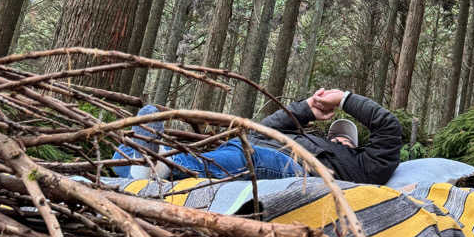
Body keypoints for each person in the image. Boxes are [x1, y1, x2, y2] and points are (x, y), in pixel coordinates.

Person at [113, 88, 403, 186]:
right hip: (247, 145)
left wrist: (343, 99)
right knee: (149, 113)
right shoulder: (312, 138)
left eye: (346, 140)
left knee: (249, 156)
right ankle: (133, 171)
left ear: (356, 147)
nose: (340, 141)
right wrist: (307, 109)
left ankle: (164, 166)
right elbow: (264, 128)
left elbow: (389, 128)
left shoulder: (366, 167)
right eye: (336, 137)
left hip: (291, 167)